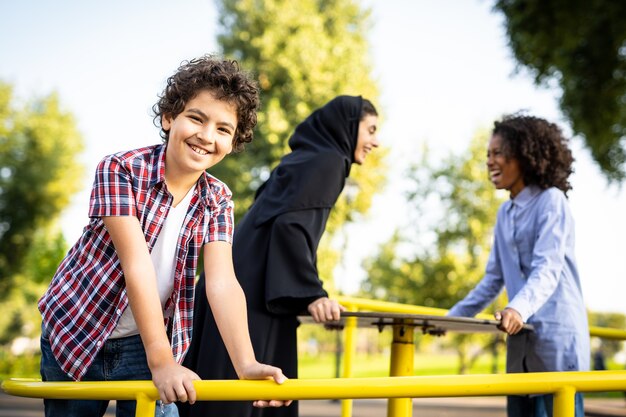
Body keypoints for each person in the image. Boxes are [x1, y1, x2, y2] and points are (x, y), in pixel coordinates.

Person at [37, 55, 290, 417]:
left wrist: (245, 362)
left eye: (223, 129)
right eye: (196, 118)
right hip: (80, 328)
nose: (206, 136)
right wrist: (163, 362)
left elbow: (221, 282)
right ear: (170, 117)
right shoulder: (121, 169)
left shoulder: (217, 199)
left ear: (233, 143)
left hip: (146, 341)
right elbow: (136, 265)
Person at [179, 95, 379, 417]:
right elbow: (291, 226)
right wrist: (313, 294)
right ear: (348, 126)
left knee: (220, 393)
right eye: (370, 129)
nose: (375, 141)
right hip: (252, 299)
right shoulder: (329, 161)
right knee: (244, 399)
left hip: (235, 287)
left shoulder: (301, 160)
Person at [447, 114, 590, 417]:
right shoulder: (504, 213)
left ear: (523, 155)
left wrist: (517, 308)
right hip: (521, 339)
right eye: (488, 154)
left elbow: (547, 269)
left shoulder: (552, 201)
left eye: (498, 152)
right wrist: (450, 320)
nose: (490, 161)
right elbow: (493, 279)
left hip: (555, 339)